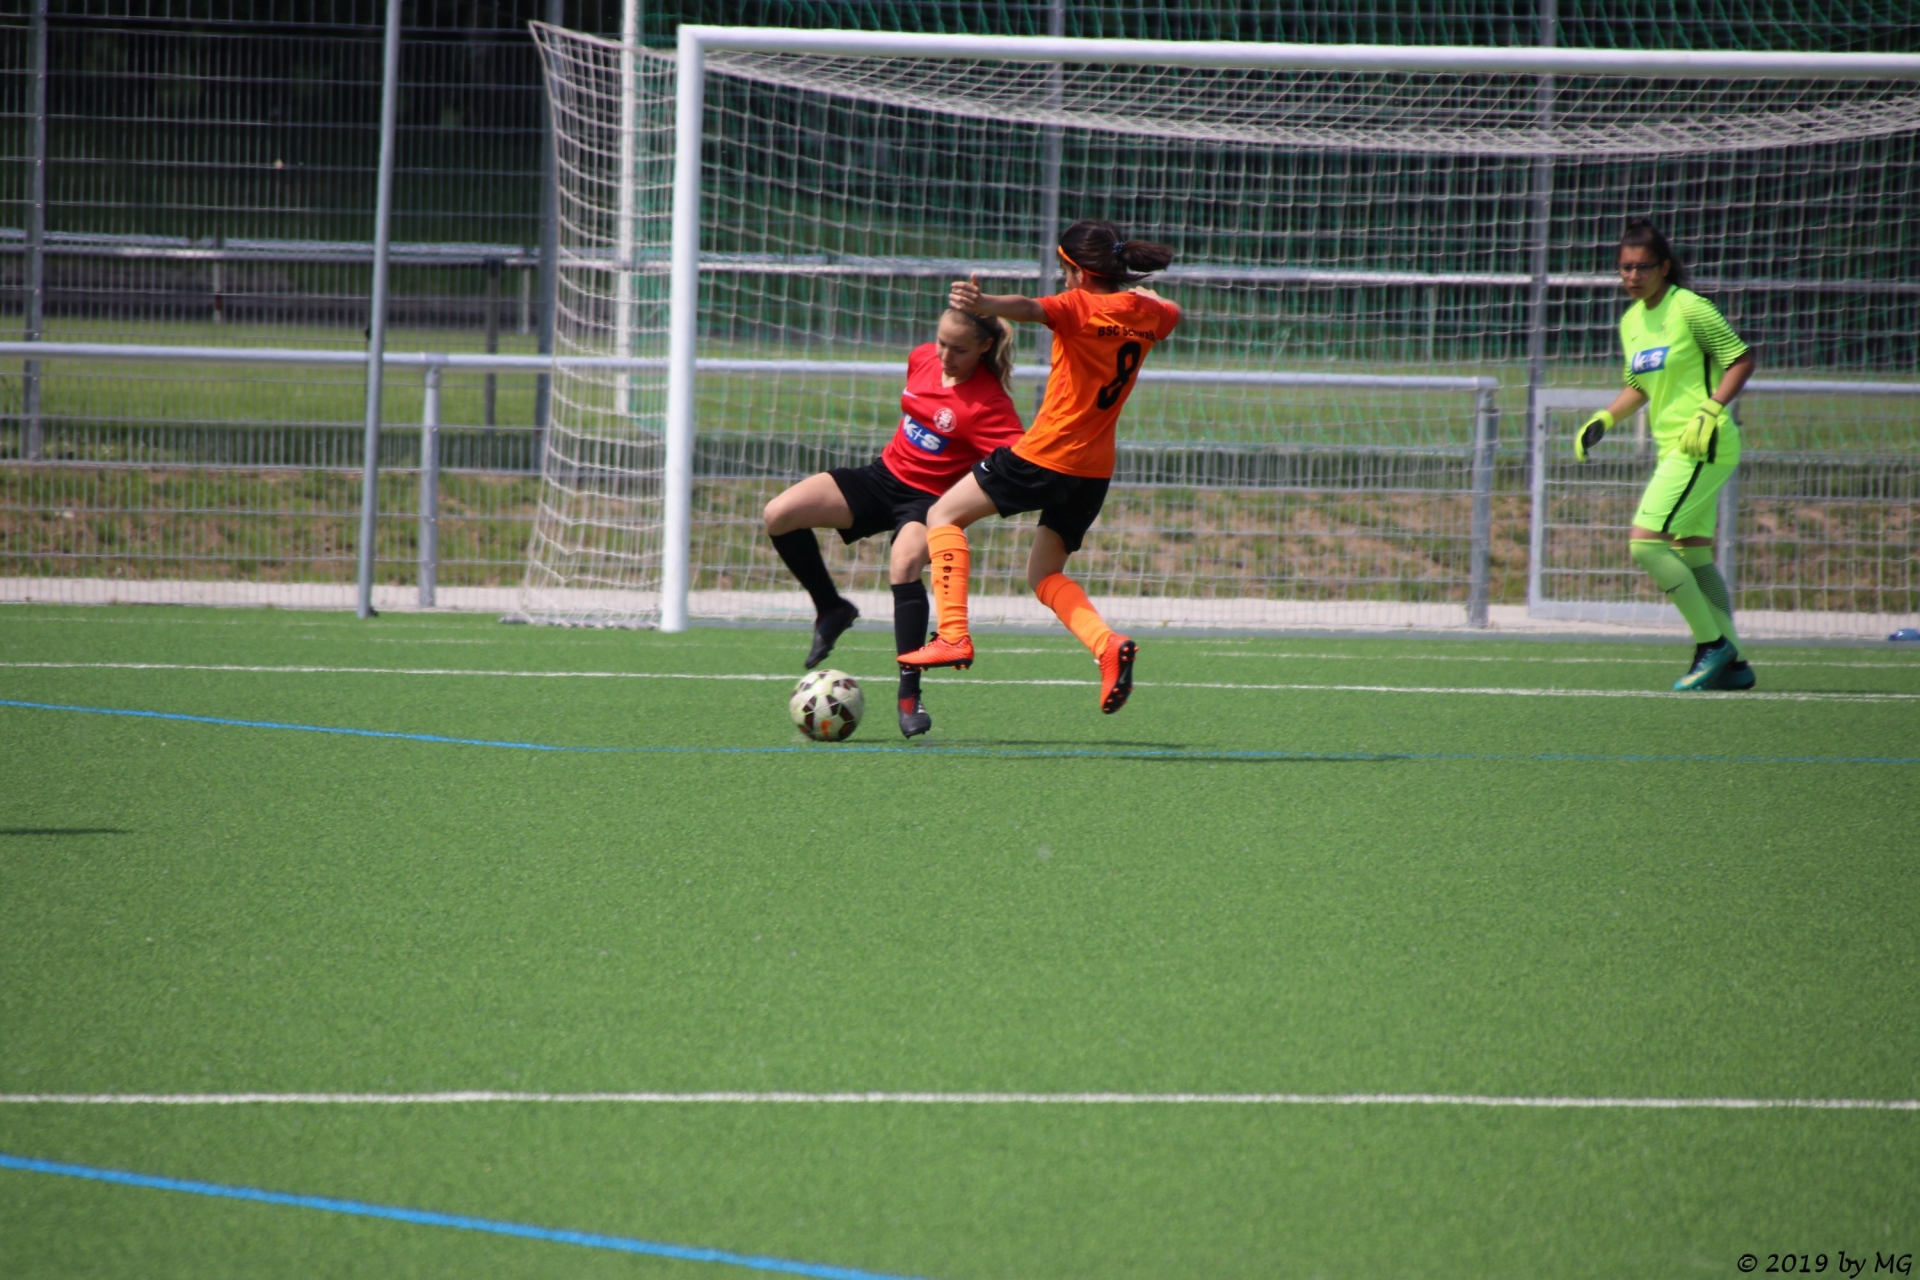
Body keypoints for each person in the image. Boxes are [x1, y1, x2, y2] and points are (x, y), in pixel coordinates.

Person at [897, 219, 1180, 714]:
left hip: (1046, 455)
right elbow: (1171, 309)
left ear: (1079, 271)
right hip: (1094, 471)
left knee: (942, 515)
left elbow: (1029, 309)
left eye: (1064, 269)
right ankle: (1106, 645)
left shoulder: (1078, 306)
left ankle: (953, 635)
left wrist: (983, 303)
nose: (1064, 280)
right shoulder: (1152, 315)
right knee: (1045, 574)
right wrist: (1142, 296)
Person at [763, 308, 1025, 737]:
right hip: (882, 477)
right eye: (942, 343)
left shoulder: (989, 404)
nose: (945, 355)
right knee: (779, 514)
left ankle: (909, 694)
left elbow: (1021, 462)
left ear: (985, 347)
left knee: (903, 563)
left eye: (959, 349)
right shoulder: (921, 358)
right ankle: (832, 607)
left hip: (929, 502)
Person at [1574, 217, 1757, 691]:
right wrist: (1604, 419)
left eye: (1643, 267)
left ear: (1664, 267)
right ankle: (1734, 665)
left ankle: (1711, 644)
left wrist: (1712, 408)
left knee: (1645, 542)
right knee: (1690, 552)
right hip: (1672, 448)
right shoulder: (1631, 321)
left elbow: (1741, 359)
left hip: (1703, 444)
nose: (1633, 276)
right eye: (1625, 268)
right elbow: (1638, 384)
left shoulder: (1690, 308)